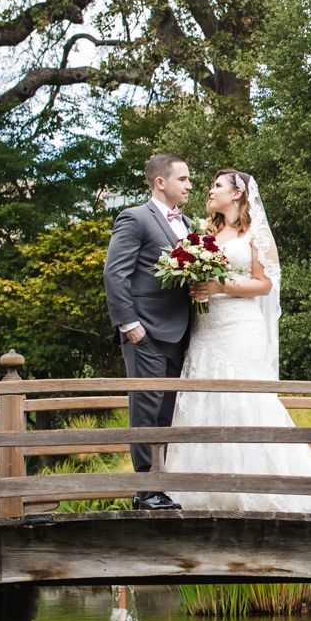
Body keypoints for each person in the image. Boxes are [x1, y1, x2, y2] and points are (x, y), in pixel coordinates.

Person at [166, 169, 311, 512]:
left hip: (240, 329)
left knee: (242, 399)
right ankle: (199, 489)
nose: (210, 191)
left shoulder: (256, 233)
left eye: (217, 186)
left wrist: (219, 287)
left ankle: (254, 485)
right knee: (202, 397)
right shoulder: (206, 233)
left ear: (237, 194)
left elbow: (264, 284)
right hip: (207, 329)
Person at [103, 152, 198, 511]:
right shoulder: (135, 218)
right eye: (183, 179)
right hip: (145, 334)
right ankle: (146, 490)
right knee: (145, 410)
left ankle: (159, 484)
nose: (190, 185)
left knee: (166, 413)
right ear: (161, 182)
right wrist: (130, 326)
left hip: (180, 334)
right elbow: (115, 274)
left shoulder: (187, 225)